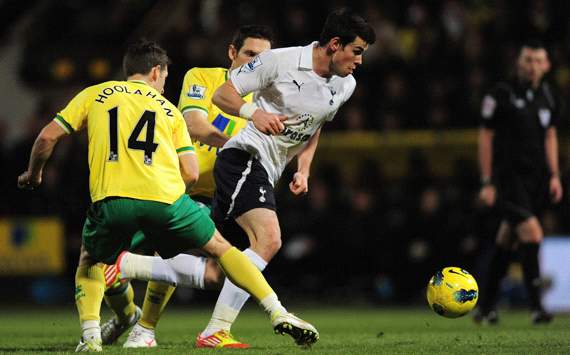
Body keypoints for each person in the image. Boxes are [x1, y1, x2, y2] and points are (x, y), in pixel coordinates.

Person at [17, 39, 318, 352]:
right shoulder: (170, 108)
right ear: (156, 71)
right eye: (164, 77)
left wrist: (34, 173)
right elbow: (189, 170)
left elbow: (46, 137)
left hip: (112, 199)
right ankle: (275, 311)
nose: (164, 84)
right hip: (169, 199)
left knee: (92, 260)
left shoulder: (95, 94)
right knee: (220, 249)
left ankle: (93, 335)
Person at [205, 7, 375, 346]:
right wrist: (254, 113)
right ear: (334, 44)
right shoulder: (279, 61)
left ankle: (128, 265)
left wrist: (304, 168)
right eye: (356, 52)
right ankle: (217, 330)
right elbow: (222, 94)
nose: (359, 61)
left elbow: (316, 126)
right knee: (268, 240)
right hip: (244, 157)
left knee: (211, 262)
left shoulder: (347, 85)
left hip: (268, 171)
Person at [114, 25, 273, 349]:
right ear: (232, 52)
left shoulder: (268, 97)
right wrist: (241, 142)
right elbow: (194, 125)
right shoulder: (203, 77)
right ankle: (141, 322)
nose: (256, 63)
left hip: (229, 193)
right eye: (250, 55)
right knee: (174, 251)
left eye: (264, 58)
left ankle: (131, 291)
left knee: (219, 272)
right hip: (186, 182)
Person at [474, 40, 563, 325]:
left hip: (535, 180)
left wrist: (555, 175)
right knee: (533, 233)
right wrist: (487, 181)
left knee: (506, 239)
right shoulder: (501, 94)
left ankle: (485, 307)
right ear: (519, 63)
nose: (532, 66)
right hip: (507, 179)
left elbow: (550, 135)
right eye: (527, 60)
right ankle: (537, 308)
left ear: (546, 66)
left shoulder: (548, 95)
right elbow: (485, 136)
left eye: (538, 60)